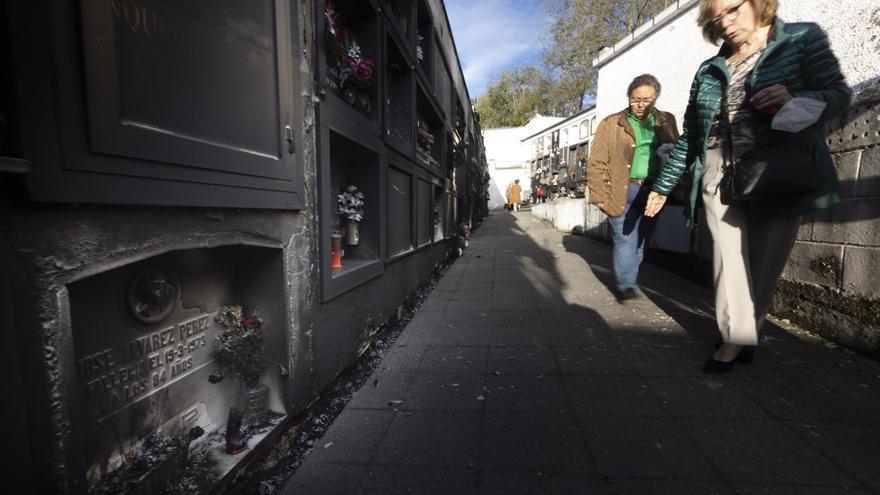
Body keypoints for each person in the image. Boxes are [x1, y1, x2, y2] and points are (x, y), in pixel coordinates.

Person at [644, 0, 851, 373]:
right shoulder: (708, 70)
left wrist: (795, 100)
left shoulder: (802, 39)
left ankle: (746, 333)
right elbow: (691, 134)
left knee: (767, 259)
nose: (726, 21)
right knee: (729, 259)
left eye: (734, 8)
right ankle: (734, 339)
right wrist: (662, 186)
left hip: (779, 163)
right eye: (716, 17)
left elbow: (838, 94)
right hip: (717, 166)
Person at [587, 74, 679, 302]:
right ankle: (626, 286)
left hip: (654, 191)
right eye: (635, 99)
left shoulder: (666, 120)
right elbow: (597, 160)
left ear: (655, 98)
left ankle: (629, 279)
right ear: (629, 97)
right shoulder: (611, 123)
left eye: (646, 100)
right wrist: (598, 194)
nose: (640, 104)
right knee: (625, 238)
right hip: (622, 189)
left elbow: (678, 154)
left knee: (642, 240)